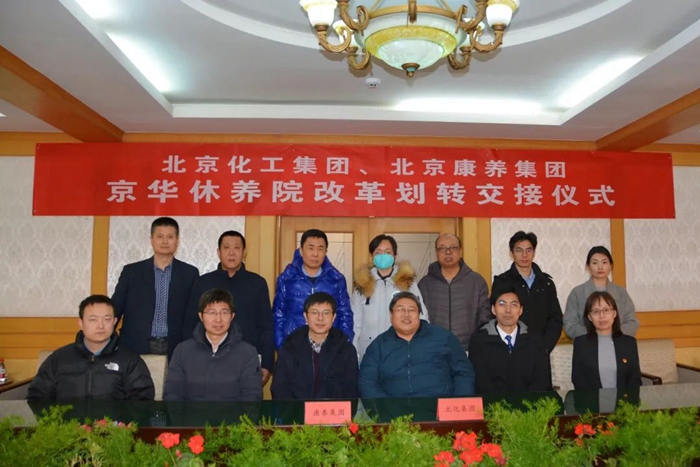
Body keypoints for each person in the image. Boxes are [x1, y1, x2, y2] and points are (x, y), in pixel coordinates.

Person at [185, 231, 274, 384]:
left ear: (244, 252)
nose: (231, 253)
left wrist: (266, 363)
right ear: (218, 252)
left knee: (247, 398)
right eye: (226, 248)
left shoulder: (257, 283)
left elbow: (266, 325)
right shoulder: (203, 282)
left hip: (247, 358)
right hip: (208, 357)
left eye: (237, 248)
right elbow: (190, 322)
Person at [28, 295, 154, 401]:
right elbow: (37, 397)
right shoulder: (58, 359)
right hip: (68, 423)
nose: (100, 326)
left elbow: (142, 400)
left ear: (114, 322)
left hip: (113, 424)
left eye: (107, 319)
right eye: (93, 320)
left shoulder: (130, 360)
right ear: (81, 323)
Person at [359, 291, 476, 398]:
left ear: (419, 315)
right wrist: (386, 409)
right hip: (394, 411)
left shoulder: (443, 337)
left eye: (412, 310)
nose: (406, 314)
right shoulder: (378, 346)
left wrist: (455, 405)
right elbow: (367, 382)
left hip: (439, 409)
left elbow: (463, 372)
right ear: (391, 315)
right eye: (400, 309)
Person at [111, 217, 199, 358]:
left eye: (170, 237)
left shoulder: (190, 273)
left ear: (177, 241)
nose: (165, 241)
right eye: (159, 236)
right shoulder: (132, 272)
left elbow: (193, 314)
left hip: (176, 346)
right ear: (151, 240)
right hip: (135, 345)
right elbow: (115, 308)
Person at [164, 288, 262, 401]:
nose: (218, 319)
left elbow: (252, 397)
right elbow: (173, 395)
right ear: (201, 316)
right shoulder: (183, 351)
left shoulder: (248, 353)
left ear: (232, 316)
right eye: (212, 313)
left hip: (233, 413)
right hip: (193, 413)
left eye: (224, 313)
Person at [273, 229, 353, 349]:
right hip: (294, 345)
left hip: (330, 346)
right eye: (310, 248)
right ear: (301, 250)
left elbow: (345, 314)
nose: (315, 254)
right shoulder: (287, 279)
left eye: (320, 249)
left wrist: (344, 346)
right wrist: (282, 348)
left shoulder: (336, 279)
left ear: (325, 252)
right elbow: (278, 315)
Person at [352, 234, 428, 360]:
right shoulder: (363, 284)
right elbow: (355, 323)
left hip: (401, 349)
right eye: (378, 252)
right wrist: (354, 353)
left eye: (388, 252)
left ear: (395, 255)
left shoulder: (407, 283)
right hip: (369, 350)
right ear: (372, 256)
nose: (383, 256)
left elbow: (421, 317)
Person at [272, 292, 359, 400]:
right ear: (305, 316)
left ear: (334, 317)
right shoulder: (289, 347)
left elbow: (351, 390)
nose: (320, 318)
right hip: (297, 410)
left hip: (334, 410)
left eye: (326, 313)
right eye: (314, 312)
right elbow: (280, 388)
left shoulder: (346, 349)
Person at [468, 284, 552, 394]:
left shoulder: (535, 341)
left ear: (521, 310)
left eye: (513, 305)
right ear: (493, 309)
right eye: (502, 304)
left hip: (529, 403)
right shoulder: (479, 341)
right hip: (493, 403)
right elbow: (481, 383)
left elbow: (542, 382)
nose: (508, 310)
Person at [491, 231, 562, 353]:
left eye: (529, 250)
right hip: (511, 350)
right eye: (519, 250)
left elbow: (555, 319)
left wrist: (545, 347)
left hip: (541, 350)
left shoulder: (546, 283)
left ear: (534, 252)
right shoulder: (502, 282)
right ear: (512, 253)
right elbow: (496, 316)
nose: (524, 255)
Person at [418, 233, 490, 350]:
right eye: (442, 248)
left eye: (453, 247)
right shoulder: (425, 284)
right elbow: (419, 320)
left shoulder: (476, 282)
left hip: (468, 350)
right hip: (434, 350)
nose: (448, 252)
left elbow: (484, 319)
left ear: (460, 251)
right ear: (436, 252)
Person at [572, 291, 642, 390]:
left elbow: (635, 379)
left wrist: (624, 399)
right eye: (596, 311)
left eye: (606, 310)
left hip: (623, 399)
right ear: (589, 317)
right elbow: (578, 380)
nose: (602, 316)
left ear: (614, 313)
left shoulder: (629, 343)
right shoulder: (581, 343)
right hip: (591, 399)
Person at [564, 246, 638, 339]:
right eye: (595, 263)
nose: (600, 267)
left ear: (610, 266)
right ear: (588, 267)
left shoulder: (621, 292)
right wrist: (595, 336)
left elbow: (631, 322)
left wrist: (612, 335)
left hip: (617, 341)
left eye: (604, 262)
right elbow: (570, 324)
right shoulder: (577, 293)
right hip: (588, 342)